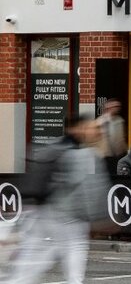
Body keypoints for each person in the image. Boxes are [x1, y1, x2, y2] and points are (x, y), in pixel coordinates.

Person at [8, 114, 109, 284]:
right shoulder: (81, 154)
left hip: (44, 213)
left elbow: (35, 180)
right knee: (73, 256)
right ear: (76, 128)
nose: (94, 131)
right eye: (90, 127)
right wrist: (99, 216)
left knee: (32, 261)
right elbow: (87, 189)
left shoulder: (53, 148)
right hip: (67, 216)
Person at [95, 98, 127, 176]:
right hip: (106, 156)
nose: (117, 108)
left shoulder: (120, 121)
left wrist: (125, 151)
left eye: (118, 106)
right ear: (108, 108)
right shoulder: (100, 122)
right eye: (114, 106)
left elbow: (122, 138)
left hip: (119, 155)